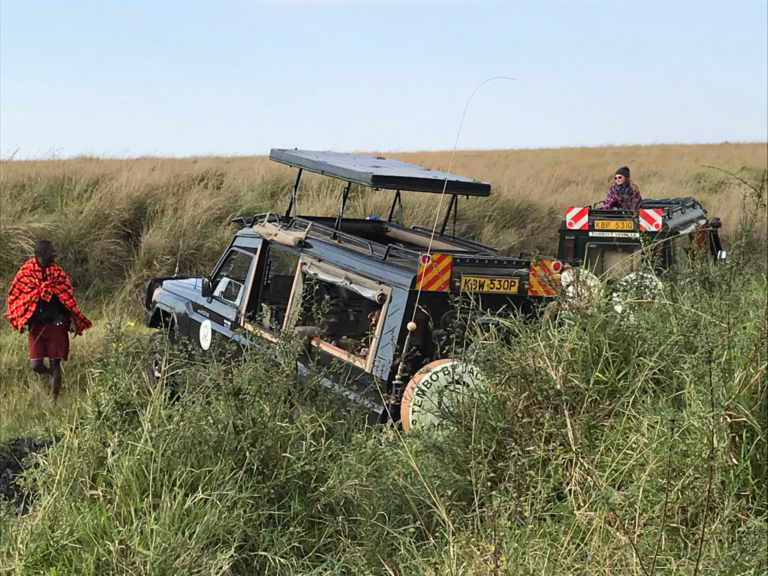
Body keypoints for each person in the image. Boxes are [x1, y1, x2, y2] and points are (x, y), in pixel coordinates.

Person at [5, 240, 92, 400]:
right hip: (36, 326)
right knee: (36, 365)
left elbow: (66, 299)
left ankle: (53, 400)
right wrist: (19, 317)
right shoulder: (26, 273)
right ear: (43, 254)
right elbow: (16, 296)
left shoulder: (57, 273)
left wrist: (72, 320)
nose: (55, 254)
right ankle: (52, 375)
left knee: (55, 363)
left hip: (56, 324)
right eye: (52, 251)